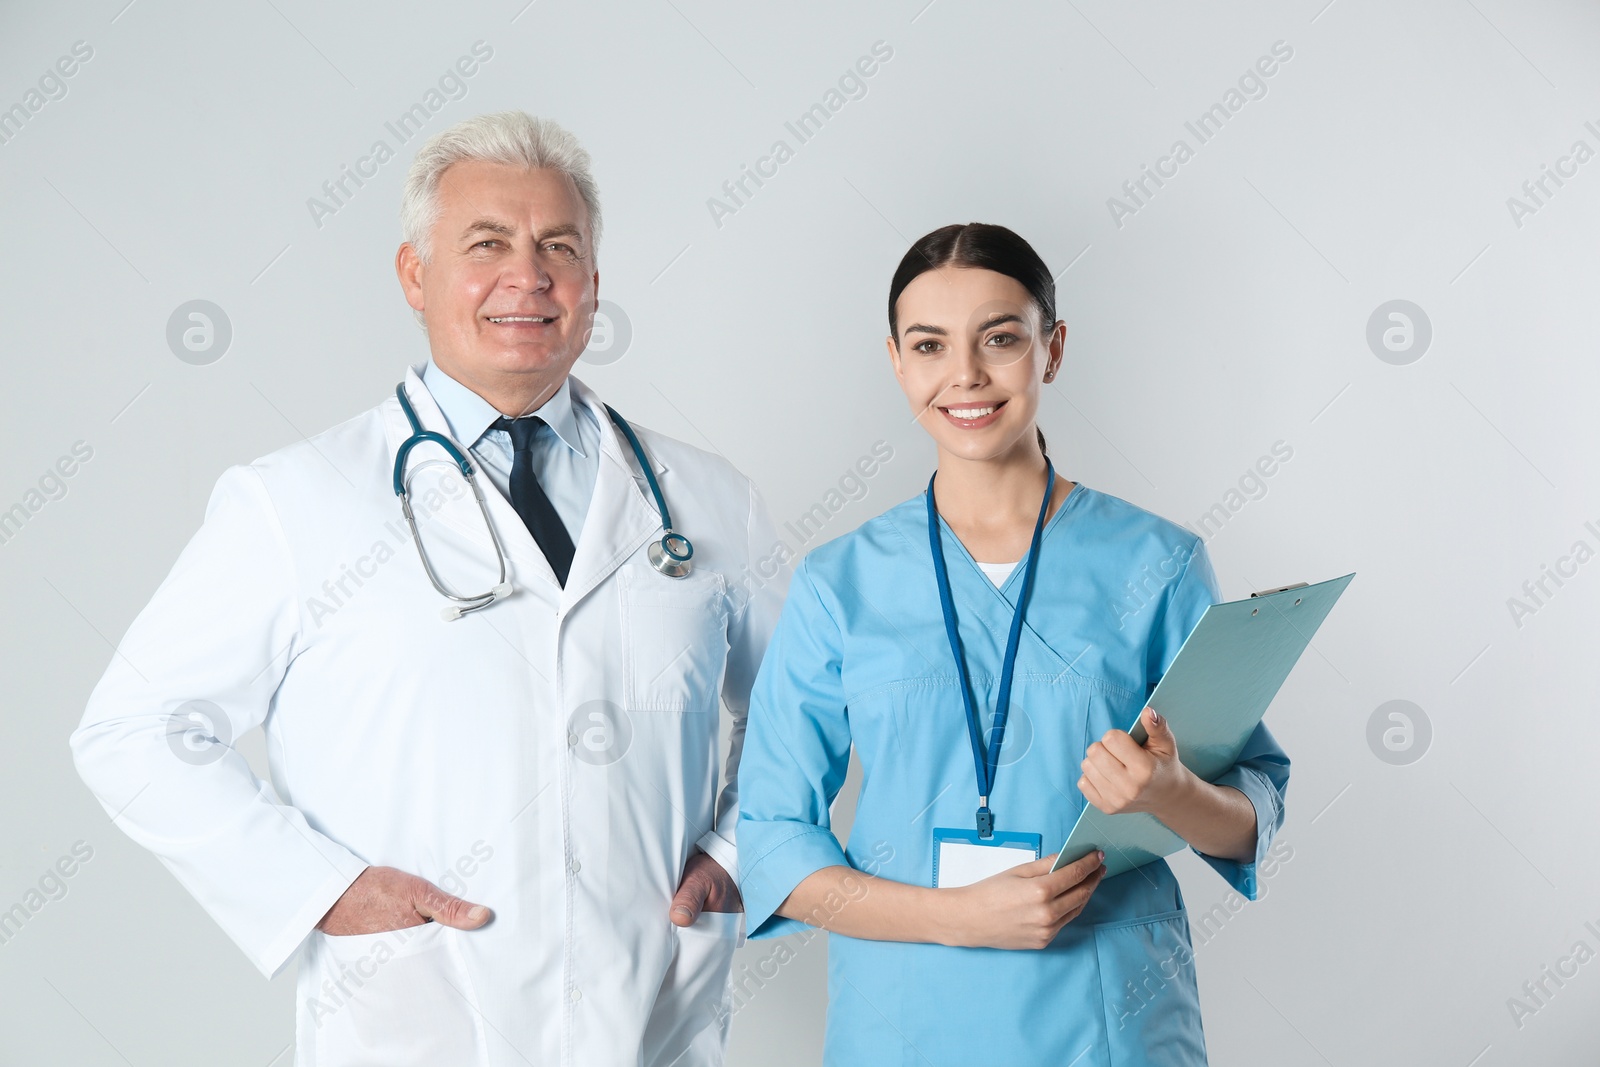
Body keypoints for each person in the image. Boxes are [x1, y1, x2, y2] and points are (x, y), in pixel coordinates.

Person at [70, 111, 788, 1067]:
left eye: (558, 248)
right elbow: (134, 730)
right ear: (415, 274)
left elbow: (805, 711)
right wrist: (321, 889)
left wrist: (741, 856)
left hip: (651, 1022)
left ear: (593, 286)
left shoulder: (705, 500)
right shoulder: (294, 499)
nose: (527, 277)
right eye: (486, 244)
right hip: (417, 1023)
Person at [735, 222, 1289, 1064]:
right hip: (905, 1020)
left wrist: (1170, 791)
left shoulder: (1156, 562)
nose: (965, 375)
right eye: (930, 345)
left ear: (1052, 348)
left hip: (1109, 1020)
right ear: (896, 361)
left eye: (1000, 338)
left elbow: (1246, 817)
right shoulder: (839, 583)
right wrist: (957, 916)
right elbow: (775, 838)